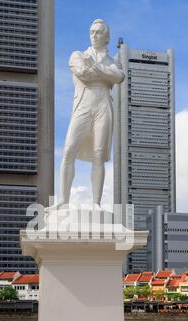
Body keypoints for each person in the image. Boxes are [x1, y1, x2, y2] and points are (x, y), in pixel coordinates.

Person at [52, 19, 125, 211]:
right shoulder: (78, 55)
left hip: (103, 105)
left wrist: (97, 67)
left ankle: (96, 202)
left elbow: (119, 77)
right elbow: (84, 74)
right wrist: (104, 73)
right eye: (92, 32)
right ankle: (64, 200)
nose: (94, 35)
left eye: (99, 32)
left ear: (107, 37)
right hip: (83, 104)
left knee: (98, 155)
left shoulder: (113, 61)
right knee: (69, 150)